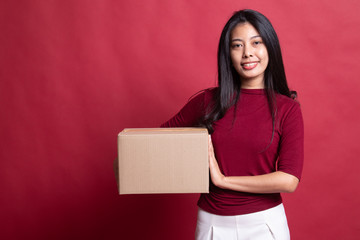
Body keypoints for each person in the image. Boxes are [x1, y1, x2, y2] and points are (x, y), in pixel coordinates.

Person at [161, 9, 304, 240]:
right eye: (237, 45)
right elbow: (157, 141)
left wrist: (222, 180)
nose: (248, 53)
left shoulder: (288, 109)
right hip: (212, 224)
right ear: (227, 54)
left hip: (265, 224)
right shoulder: (208, 101)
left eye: (256, 42)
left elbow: (288, 180)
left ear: (270, 47)